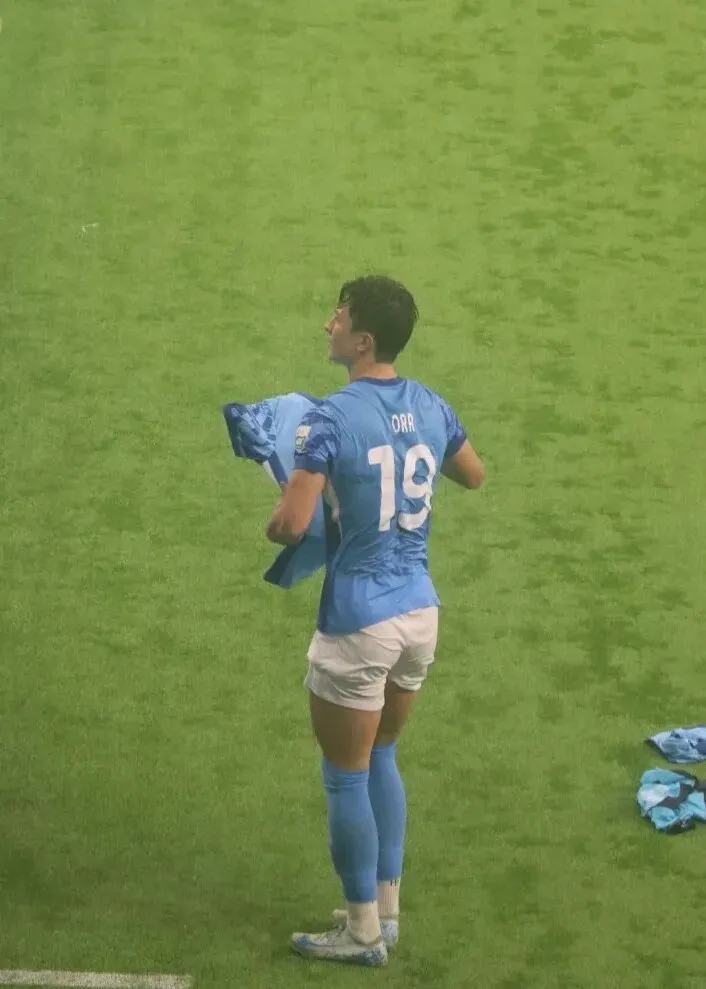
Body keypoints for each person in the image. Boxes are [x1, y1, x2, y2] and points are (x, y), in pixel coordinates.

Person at [265, 275, 485, 967]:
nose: (327, 324)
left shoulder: (327, 420)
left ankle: (360, 931)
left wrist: (283, 492)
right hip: (420, 612)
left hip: (359, 621)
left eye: (339, 317)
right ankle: (384, 912)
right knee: (382, 755)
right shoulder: (430, 403)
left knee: (345, 776)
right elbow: (473, 474)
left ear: (363, 340)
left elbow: (290, 525)